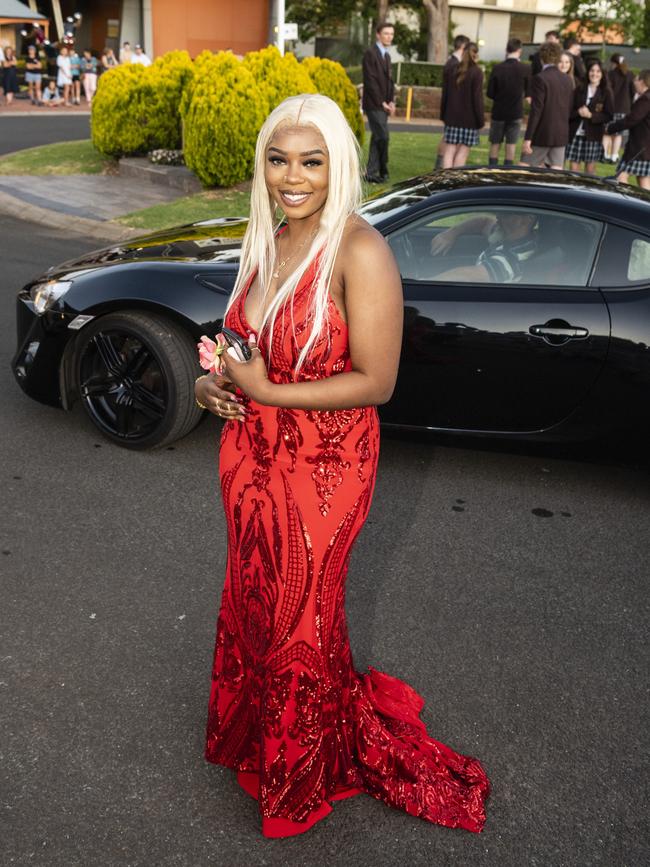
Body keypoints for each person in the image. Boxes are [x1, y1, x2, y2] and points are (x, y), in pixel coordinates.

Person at [195, 92, 491, 838]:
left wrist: (267, 388)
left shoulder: (359, 250)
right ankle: (254, 737)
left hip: (325, 466)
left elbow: (378, 380)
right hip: (251, 458)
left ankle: (301, 768)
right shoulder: (270, 238)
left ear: (340, 166)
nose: (292, 177)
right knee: (254, 597)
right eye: (277, 159)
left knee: (304, 613)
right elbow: (243, 346)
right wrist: (217, 384)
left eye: (311, 161)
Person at [429, 211, 539, 282]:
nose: (498, 217)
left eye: (506, 214)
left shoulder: (514, 258)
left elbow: (468, 276)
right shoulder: (505, 234)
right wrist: (452, 233)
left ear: (528, 219)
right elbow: (484, 222)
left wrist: (427, 281)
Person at [520, 41, 574, 170]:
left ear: (541, 57)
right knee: (555, 175)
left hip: (542, 134)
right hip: (560, 134)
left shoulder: (540, 78)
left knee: (523, 170)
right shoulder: (567, 79)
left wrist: (528, 138)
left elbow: (536, 110)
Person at [486, 37, 530, 167]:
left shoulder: (497, 68)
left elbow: (490, 93)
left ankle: (492, 170)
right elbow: (529, 91)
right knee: (511, 144)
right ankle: (507, 171)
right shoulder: (525, 69)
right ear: (520, 51)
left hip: (498, 111)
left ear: (506, 50)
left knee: (495, 143)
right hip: (515, 112)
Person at [362, 21, 395, 183]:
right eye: (386, 33)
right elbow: (370, 81)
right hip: (374, 104)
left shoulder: (387, 55)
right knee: (383, 136)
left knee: (377, 137)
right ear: (378, 34)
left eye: (391, 34)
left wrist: (391, 101)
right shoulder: (370, 53)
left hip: (385, 105)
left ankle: (371, 172)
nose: (389, 37)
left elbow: (390, 82)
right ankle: (383, 168)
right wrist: (382, 102)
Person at [566, 60, 614, 175]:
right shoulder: (579, 89)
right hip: (575, 134)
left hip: (593, 135)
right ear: (588, 72)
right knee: (573, 169)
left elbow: (609, 115)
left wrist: (591, 115)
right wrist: (578, 112)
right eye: (592, 70)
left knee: (590, 170)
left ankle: (589, 192)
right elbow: (568, 111)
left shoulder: (606, 92)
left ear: (602, 74)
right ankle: (573, 191)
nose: (594, 74)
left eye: (598, 71)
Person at [442, 42, 484, 168]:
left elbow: (445, 94)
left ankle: (446, 180)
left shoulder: (452, 69)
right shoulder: (477, 72)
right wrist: (480, 121)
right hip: (469, 120)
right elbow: (477, 99)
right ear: (475, 55)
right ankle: (455, 183)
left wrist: (443, 115)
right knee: (463, 153)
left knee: (449, 151)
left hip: (452, 118)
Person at [607, 69, 650, 191]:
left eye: (636, 79)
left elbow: (631, 119)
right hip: (645, 149)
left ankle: (629, 205)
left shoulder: (646, 99)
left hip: (640, 148)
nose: (634, 82)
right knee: (643, 180)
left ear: (643, 81)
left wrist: (610, 128)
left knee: (621, 177)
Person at [436, 34, 470, 168]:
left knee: (447, 139)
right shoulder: (454, 65)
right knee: (448, 141)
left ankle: (438, 166)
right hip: (453, 109)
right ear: (462, 47)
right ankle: (439, 167)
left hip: (449, 108)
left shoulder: (451, 62)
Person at [603, 54, 636, 163]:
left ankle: (604, 155)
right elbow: (633, 92)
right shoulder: (630, 74)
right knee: (618, 135)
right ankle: (614, 156)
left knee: (607, 132)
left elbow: (606, 91)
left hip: (610, 108)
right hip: (625, 109)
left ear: (613, 63)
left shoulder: (610, 74)